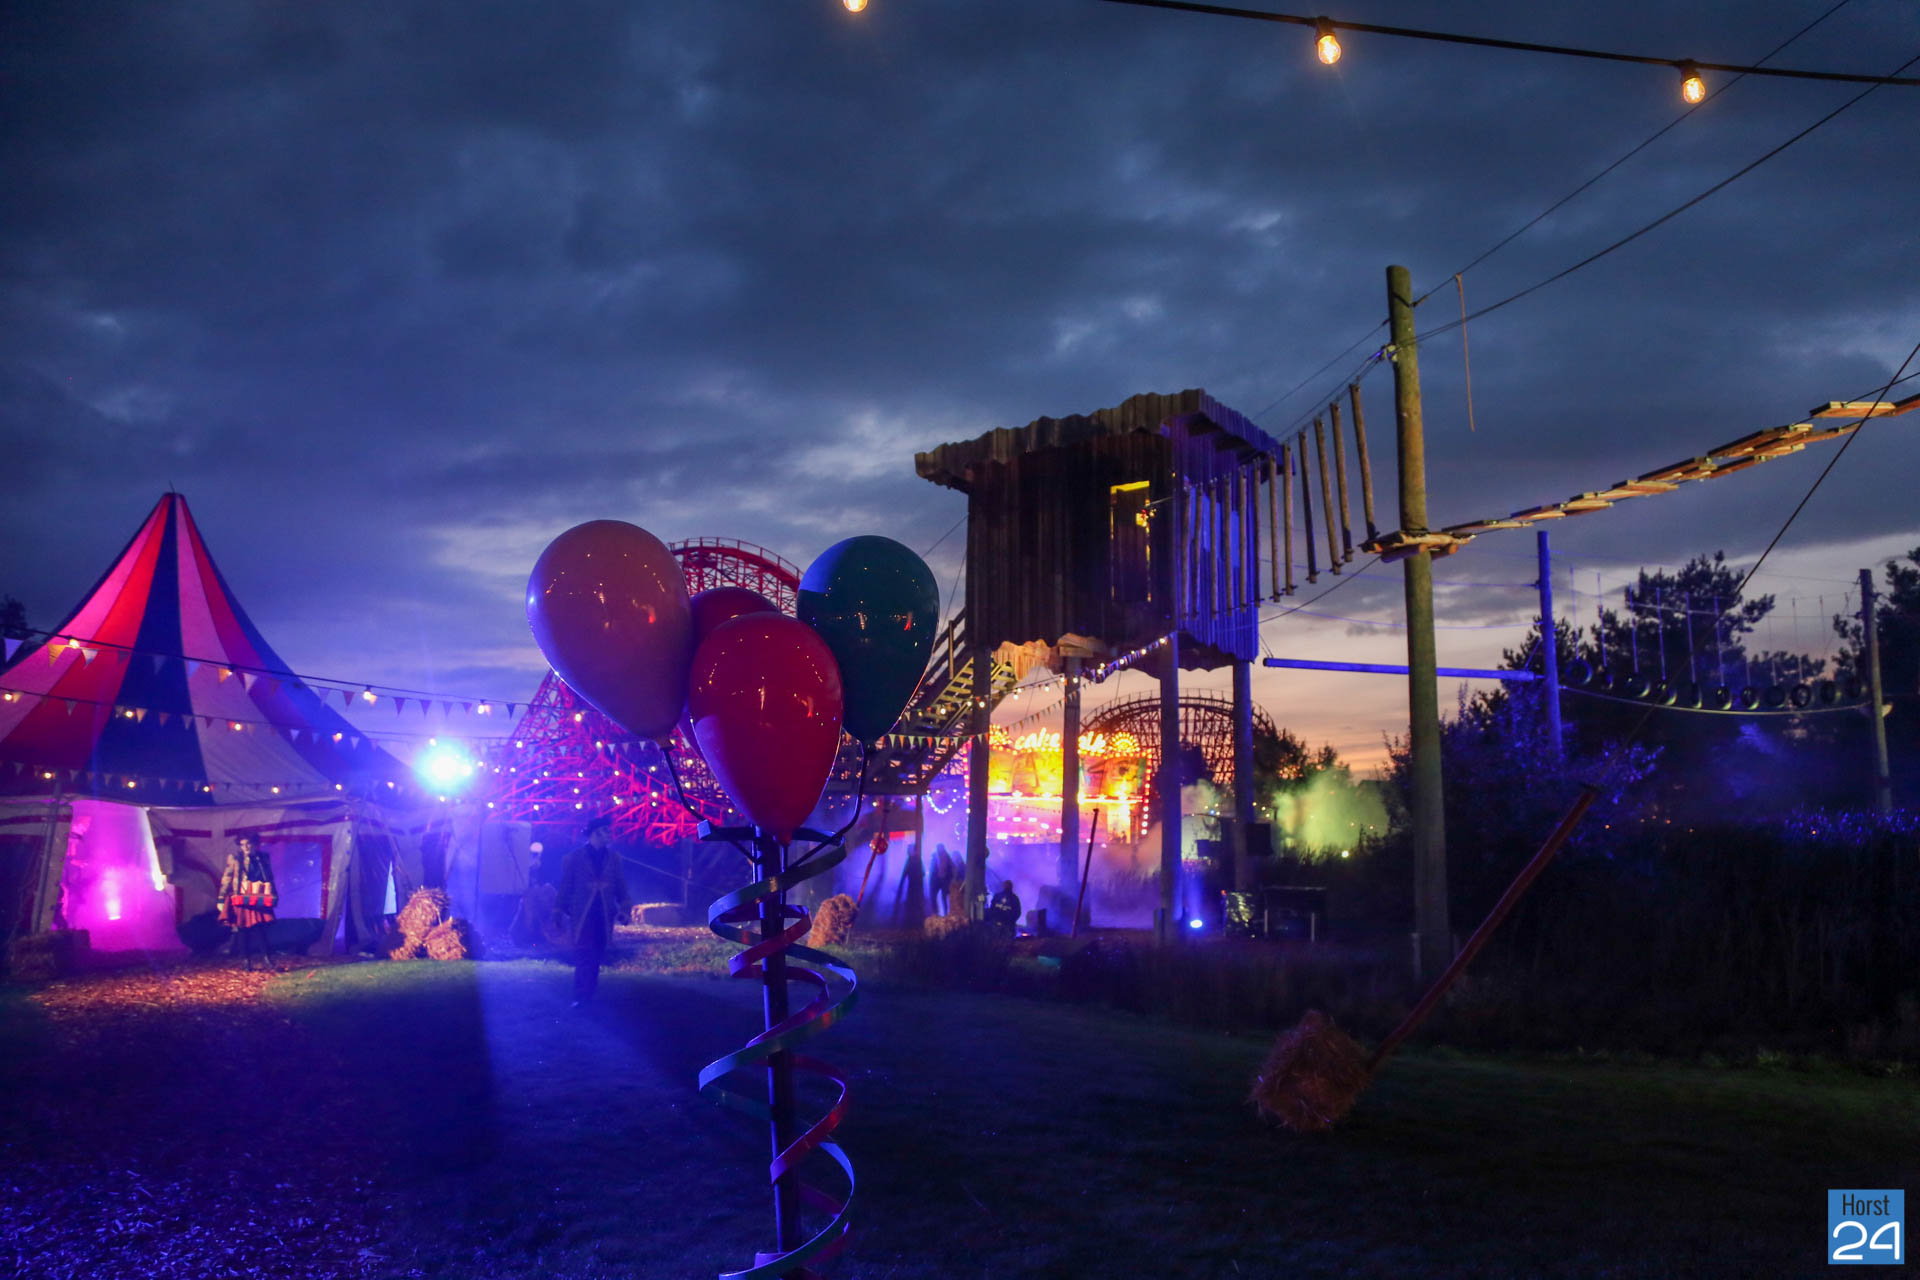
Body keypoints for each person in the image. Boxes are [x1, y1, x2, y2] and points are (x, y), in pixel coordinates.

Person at [556, 816, 629, 1005]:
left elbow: (620, 886)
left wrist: (624, 908)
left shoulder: (614, 859)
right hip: (582, 914)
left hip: (603, 914)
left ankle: (589, 994)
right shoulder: (574, 858)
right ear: (595, 833)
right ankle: (580, 996)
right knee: (583, 954)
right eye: (605, 831)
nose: (609, 834)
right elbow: (566, 886)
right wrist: (559, 909)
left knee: (596, 955)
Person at [217, 834, 278, 971]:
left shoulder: (263, 858)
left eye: (248, 844)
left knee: (260, 929)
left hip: (258, 896)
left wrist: (274, 894)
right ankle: (246, 962)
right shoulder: (235, 858)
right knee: (242, 929)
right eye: (242, 844)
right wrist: (221, 898)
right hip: (241, 898)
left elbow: (269, 878)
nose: (245, 847)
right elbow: (227, 878)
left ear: (254, 844)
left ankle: (267, 960)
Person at [893, 843, 925, 929]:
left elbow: (907, 872)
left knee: (914, 902)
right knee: (913, 902)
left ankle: (914, 922)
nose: (908, 851)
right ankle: (913, 922)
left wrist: (902, 883)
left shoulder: (915, 859)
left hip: (915, 885)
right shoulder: (913, 859)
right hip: (914, 885)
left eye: (909, 850)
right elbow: (907, 872)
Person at [928, 844, 954, 915]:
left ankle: (945, 912)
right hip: (937, 880)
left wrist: (950, 878)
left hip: (944, 880)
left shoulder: (947, 856)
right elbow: (932, 868)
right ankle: (936, 912)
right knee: (935, 896)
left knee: (944, 897)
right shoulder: (935, 856)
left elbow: (951, 868)